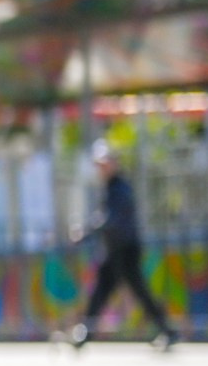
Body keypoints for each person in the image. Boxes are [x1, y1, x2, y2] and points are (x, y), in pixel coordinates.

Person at [71, 139, 177, 350]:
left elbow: (111, 219)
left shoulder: (120, 188)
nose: (102, 169)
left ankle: (168, 331)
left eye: (105, 163)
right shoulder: (110, 188)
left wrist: (88, 231)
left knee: (140, 291)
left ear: (114, 163)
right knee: (101, 290)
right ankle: (86, 331)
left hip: (126, 249)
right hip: (113, 250)